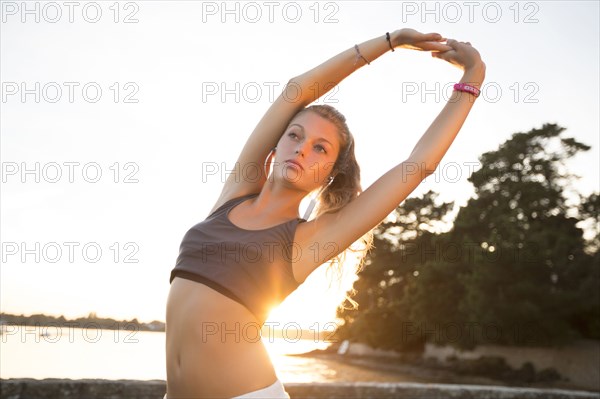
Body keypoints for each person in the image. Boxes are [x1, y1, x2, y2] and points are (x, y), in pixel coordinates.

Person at [164, 28, 485, 398]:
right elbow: (296, 89)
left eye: (320, 149)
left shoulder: (310, 238)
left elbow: (420, 164)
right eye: (295, 136)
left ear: (331, 174)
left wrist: (472, 77)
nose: (301, 150)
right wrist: (389, 42)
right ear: (275, 146)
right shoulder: (232, 197)